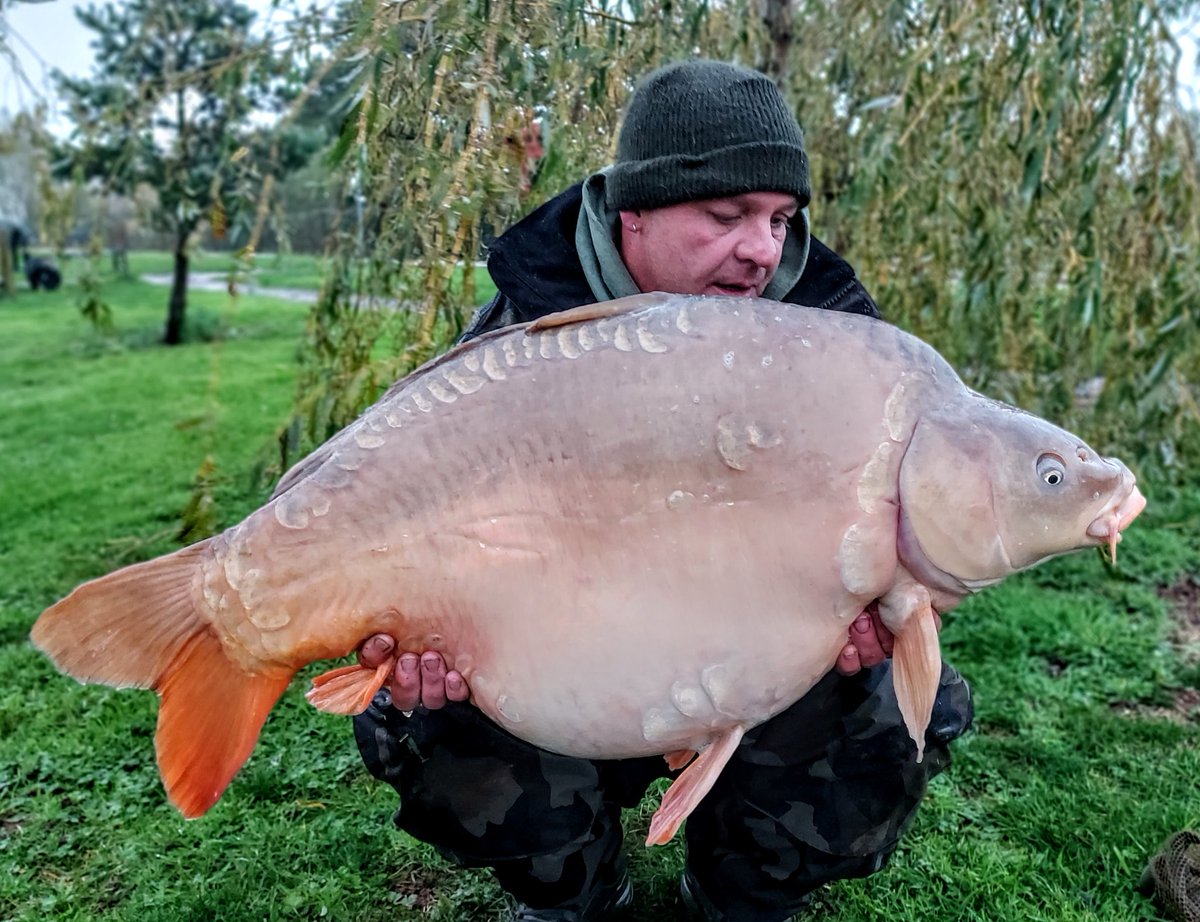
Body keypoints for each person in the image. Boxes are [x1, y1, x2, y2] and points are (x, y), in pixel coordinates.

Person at [353, 60, 973, 922]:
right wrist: (423, 629)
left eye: (780, 218)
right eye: (727, 216)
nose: (763, 249)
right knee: (424, 715)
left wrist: (879, 613)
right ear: (631, 213)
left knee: (898, 703)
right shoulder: (523, 338)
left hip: (760, 656)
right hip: (567, 660)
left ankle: (739, 895)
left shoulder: (839, 347)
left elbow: (914, 531)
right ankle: (572, 890)